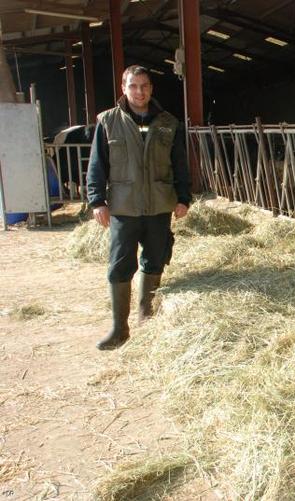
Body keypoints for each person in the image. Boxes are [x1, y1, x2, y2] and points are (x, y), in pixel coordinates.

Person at [86, 65, 191, 350]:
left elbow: (180, 163)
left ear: (151, 88)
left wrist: (183, 198)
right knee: (120, 265)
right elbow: (97, 164)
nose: (139, 91)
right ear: (123, 88)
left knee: (155, 259)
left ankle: (146, 318)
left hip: (159, 204)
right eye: (133, 86)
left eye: (144, 86)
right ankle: (119, 329)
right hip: (124, 206)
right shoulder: (108, 121)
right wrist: (97, 200)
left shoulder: (168, 122)